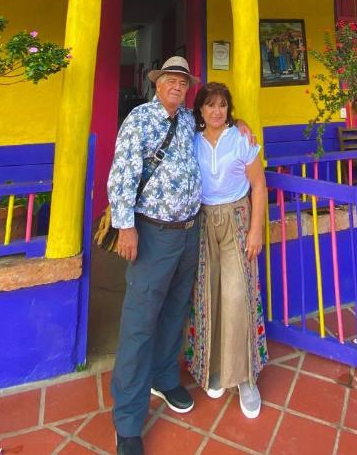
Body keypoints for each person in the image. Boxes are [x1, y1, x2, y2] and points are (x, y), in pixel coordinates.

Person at [108, 57, 254, 455]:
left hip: (191, 232)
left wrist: (240, 124)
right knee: (140, 322)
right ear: (157, 83)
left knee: (175, 310)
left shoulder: (190, 121)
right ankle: (128, 420)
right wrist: (126, 226)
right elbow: (121, 173)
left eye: (182, 81)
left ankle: (164, 376)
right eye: (170, 79)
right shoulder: (139, 119)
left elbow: (218, 125)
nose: (177, 86)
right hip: (152, 233)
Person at [185, 82, 269, 419]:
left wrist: (256, 230)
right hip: (204, 220)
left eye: (222, 105)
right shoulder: (192, 141)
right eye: (210, 105)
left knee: (238, 295)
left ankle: (245, 378)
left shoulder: (242, 139)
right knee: (207, 295)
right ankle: (213, 369)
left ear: (228, 109)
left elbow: (259, 186)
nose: (216, 111)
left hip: (237, 218)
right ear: (201, 111)